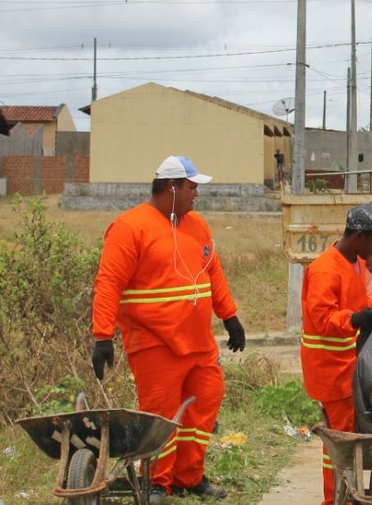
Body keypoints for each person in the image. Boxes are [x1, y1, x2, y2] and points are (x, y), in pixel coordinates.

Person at [91, 155, 245, 502]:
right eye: (192, 187)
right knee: (161, 414)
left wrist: (230, 316)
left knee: (204, 405)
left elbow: (213, 272)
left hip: (199, 343)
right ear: (171, 187)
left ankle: (188, 477)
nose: (197, 194)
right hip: (154, 342)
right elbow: (109, 283)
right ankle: (158, 482)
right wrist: (102, 335)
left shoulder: (198, 225)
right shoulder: (129, 227)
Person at [300, 203, 372, 505]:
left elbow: (355, 303)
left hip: (348, 364)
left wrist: (371, 314)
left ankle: (347, 492)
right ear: (358, 234)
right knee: (341, 440)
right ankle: (336, 499)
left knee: (350, 432)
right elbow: (323, 319)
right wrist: (355, 320)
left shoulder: (354, 262)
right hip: (329, 368)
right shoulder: (324, 270)